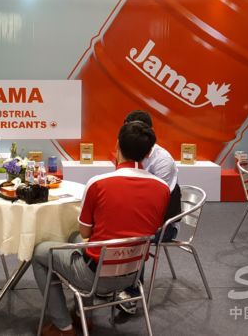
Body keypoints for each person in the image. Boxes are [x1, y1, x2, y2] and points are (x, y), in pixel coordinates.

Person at [32, 121, 170, 336]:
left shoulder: (98, 183)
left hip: (94, 275)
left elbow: (86, 232)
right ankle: (82, 315)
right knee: (74, 237)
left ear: (117, 146)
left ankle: (63, 326)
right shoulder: (162, 188)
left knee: (39, 252)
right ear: (148, 153)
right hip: (133, 275)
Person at [118, 109, 181, 314]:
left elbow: (156, 203)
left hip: (163, 223)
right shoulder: (125, 152)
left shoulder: (162, 160)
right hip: (137, 215)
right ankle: (108, 283)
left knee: (134, 234)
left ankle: (132, 292)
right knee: (106, 228)